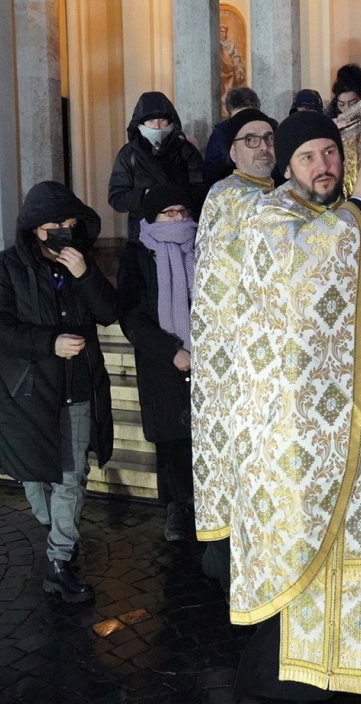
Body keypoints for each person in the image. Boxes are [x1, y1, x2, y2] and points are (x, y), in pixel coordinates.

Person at [225, 111, 361, 702]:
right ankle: (297, 672)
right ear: (288, 168)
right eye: (309, 156)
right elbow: (304, 281)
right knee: (306, 539)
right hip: (297, 428)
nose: (324, 166)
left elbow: (358, 295)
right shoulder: (271, 217)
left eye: (330, 153)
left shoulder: (339, 218)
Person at [0, 181, 118, 603]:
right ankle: (53, 522)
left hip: (77, 384)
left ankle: (60, 559)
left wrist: (85, 275)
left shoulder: (82, 263)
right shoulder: (5, 268)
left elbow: (110, 313)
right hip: (28, 390)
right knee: (36, 471)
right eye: (55, 223)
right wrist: (48, 343)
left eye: (71, 222)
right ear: (35, 229)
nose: (64, 230)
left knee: (72, 474)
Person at [191, 107, 278, 591]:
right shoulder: (230, 196)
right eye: (252, 140)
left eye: (269, 138)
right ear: (232, 150)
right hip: (237, 358)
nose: (263, 147)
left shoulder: (271, 195)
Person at [117, 185, 198, 543]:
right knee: (171, 438)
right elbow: (131, 316)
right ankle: (177, 508)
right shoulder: (137, 254)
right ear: (152, 217)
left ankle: (207, 505)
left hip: (207, 358)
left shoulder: (201, 247)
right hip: (161, 360)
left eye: (182, 211)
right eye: (169, 212)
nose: (178, 218)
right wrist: (171, 351)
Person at [108, 91, 206, 240]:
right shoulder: (129, 154)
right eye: (151, 121)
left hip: (182, 228)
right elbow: (117, 197)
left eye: (162, 120)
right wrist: (146, 195)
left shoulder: (185, 150)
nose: (157, 126)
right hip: (143, 233)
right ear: (140, 124)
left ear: (170, 121)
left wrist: (176, 198)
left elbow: (202, 186)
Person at [202, 86, 262, 188]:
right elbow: (211, 173)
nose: (242, 121)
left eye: (247, 115)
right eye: (238, 117)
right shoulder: (220, 134)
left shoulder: (269, 129)